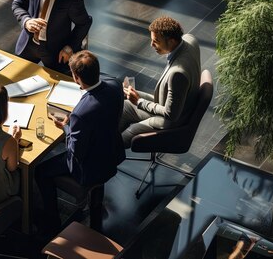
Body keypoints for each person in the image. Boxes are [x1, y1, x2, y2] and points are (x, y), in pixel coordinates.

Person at [35, 50, 125, 231]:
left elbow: (76, 151)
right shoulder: (115, 86)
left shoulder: (80, 114)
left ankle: (52, 221)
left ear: (76, 78)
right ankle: (95, 205)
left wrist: (66, 127)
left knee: (40, 171)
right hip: (110, 152)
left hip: (88, 167)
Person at [119, 16, 201, 148]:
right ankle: (106, 141)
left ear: (172, 41)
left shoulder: (178, 73)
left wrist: (139, 102)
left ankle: (108, 154)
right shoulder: (190, 40)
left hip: (168, 121)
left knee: (126, 136)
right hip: (170, 102)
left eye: (156, 41)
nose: (151, 45)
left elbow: (171, 115)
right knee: (123, 105)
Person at [11, 0, 92, 74]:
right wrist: (26, 21)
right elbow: (17, 4)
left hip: (56, 51)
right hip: (28, 45)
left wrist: (70, 47)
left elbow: (84, 22)